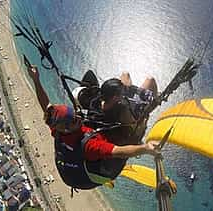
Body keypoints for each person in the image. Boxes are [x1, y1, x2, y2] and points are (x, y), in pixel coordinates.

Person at [26, 65, 159, 190]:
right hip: (95, 175)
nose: (78, 117)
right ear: (67, 128)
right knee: (144, 93)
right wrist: (145, 148)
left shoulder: (58, 128)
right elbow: (120, 151)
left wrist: (36, 80)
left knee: (126, 76)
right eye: (74, 120)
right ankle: (139, 128)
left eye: (75, 114)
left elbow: (46, 105)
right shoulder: (90, 145)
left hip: (72, 170)